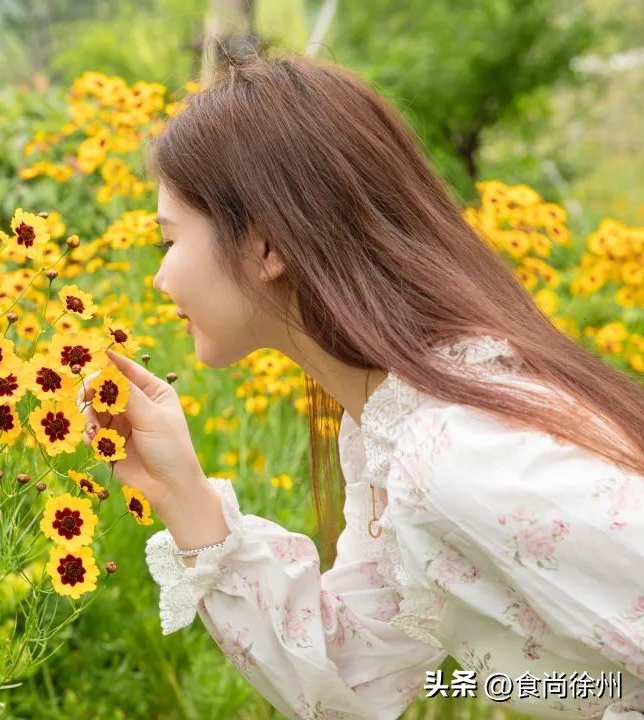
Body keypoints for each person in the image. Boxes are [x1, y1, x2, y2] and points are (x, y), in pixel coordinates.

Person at [77, 53, 644, 719]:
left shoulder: (454, 451)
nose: (159, 278)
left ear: (266, 247)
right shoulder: (392, 429)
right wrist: (183, 494)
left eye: (167, 242)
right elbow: (353, 676)